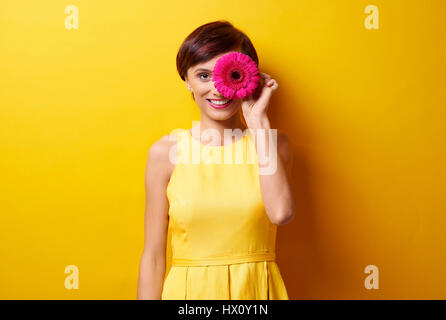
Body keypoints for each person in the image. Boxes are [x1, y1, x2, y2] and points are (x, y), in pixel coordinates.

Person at [137, 20, 295, 300]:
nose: (219, 89)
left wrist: (257, 120)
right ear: (186, 80)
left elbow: (280, 213)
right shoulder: (165, 152)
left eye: (231, 74)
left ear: (249, 76)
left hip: (255, 295)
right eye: (204, 75)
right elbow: (153, 256)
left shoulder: (273, 144)